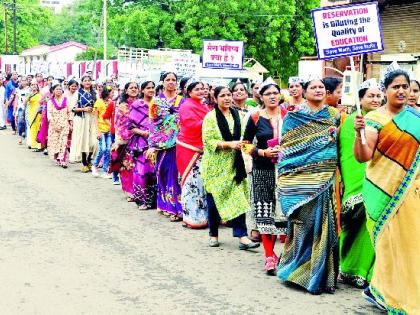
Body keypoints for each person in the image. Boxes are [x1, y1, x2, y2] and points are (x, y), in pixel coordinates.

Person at [354, 66, 420, 314]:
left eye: (406, 87)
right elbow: (363, 157)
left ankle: (402, 292)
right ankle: (387, 293)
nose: (402, 91)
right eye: (396, 87)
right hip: (382, 190)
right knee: (388, 245)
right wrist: (358, 133)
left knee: (412, 245)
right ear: (386, 91)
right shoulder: (374, 120)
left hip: (413, 192)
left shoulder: (415, 118)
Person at [277, 78, 340, 295]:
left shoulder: (334, 115)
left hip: (325, 179)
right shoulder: (294, 117)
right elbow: (286, 150)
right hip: (300, 182)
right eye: (313, 87)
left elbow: (339, 145)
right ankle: (296, 270)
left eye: (321, 87)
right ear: (304, 92)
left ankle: (319, 276)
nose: (318, 90)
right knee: (303, 225)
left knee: (324, 228)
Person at [201, 86, 259, 250]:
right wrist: (228, 144)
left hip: (235, 165)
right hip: (216, 166)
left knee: (239, 199)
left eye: (228, 95)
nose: (226, 98)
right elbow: (208, 142)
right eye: (222, 95)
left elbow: (246, 139)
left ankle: (242, 236)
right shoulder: (210, 118)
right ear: (216, 98)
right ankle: (213, 234)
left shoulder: (239, 115)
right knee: (214, 202)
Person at [338, 79, 380, 289]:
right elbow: (347, 156)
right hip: (357, 183)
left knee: (374, 227)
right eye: (370, 95)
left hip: (380, 182)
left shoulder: (385, 120)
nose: (375, 99)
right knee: (354, 224)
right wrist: (349, 182)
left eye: (377, 95)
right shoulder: (349, 122)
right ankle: (348, 267)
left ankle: (368, 272)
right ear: (360, 99)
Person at [243, 79, 287, 274]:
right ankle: (269, 255)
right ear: (261, 96)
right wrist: (262, 152)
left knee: (285, 213)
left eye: (275, 93)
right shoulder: (254, 117)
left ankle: (286, 255)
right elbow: (244, 144)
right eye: (267, 93)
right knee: (264, 211)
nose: (272, 97)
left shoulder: (289, 116)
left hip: (286, 171)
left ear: (280, 95)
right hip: (262, 170)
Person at [146, 72, 184, 222]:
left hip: (178, 144)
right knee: (161, 173)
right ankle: (164, 205)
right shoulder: (155, 101)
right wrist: (153, 145)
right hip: (160, 145)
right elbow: (152, 124)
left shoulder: (182, 101)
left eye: (173, 80)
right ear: (162, 82)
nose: (171, 82)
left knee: (174, 175)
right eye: (168, 79)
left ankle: (176, 207)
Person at [176, 78, 209, 228]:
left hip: (202, 147)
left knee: (201, 184)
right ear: (189, 92)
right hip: (189, 147)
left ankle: (203, 217)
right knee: (191, 183)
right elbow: (191, 126)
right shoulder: (186, 106)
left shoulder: (203, 106)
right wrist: (210, 120)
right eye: (197, 89)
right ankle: (192, 218)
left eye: (202, 88)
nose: (201, 91)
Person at [128, 81, 156, 210]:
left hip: (156, 143)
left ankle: (154, 201)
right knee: (141, 171)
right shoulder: (136, 105)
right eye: (148, 88)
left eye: (152, 88)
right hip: (141, 143)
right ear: (142, 90)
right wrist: (143, 133)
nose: (151, 90)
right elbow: (130, 126)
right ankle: (141, 200)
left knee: (154, 171)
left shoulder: (158, 104)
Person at [112, 82, 139, 201]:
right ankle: (129, 191)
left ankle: (139, 191)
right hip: (127, 139)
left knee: (139, 166)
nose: (134, 89)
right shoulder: (122, 106)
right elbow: (119, 124)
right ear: (126, 90)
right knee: (127, 166)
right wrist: (127, 136)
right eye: (131, 88)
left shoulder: (142, 103)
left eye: (135, 88)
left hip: (141, 139)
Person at [69, 75, 98, 172]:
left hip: (92, 118)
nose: (87, 82)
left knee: (93, 141)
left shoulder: (95, 93)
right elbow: (72, 108)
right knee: (83, 140)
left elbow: (98, 106)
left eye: (89, 80)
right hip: (81, 119)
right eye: (85, 81)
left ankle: (90, 159)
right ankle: (85, 163)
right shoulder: (78, 93)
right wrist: (84, 109)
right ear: (82, 83)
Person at [46, 83, 72, 168]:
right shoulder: (50, 102)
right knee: (55, 142)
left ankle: (62, 159)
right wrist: (54, 125)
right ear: (53, 91)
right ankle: (57, 157)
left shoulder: (66, 100)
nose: (58, 91)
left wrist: (70, 122)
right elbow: (49, 114)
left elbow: (69, 112)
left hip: (64, 124)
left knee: (63, 142)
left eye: (60, 89)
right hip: (54, 125)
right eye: (56, 89)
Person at [92, 87, 113, 179]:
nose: (113, 94)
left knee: (108, 150)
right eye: (111, 92)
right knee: (103, 149)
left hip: (109, 129)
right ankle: (95, 165)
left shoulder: (112, 102)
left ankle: (105, 171)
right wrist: (97, 131)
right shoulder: (99, 102)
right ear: (107, 93)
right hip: (101, 129)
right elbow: (95, 117)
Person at [103, 88, 120, 185]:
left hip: (131, 133)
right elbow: (105, 117)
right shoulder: (113, 104)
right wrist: (112, 126)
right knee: (116, 155)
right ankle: (115, 175)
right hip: (116, 134)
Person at [24, 80, 42, 151]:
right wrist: (29, 97)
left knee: (39, 129)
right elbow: (24, 104)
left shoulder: (41, 94)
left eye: (35, 84)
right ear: (30, 86)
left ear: (37, 86)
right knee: (32, 128)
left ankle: (40, 145)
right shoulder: (28, 94)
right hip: (31, 113)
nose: (34, 86)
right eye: (32, 85)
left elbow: (45, 101)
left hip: (40, 113)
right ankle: (34, 145)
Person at [14, 77, 30, 145]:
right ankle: (20, 136)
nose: (23, 82)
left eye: (25, 80)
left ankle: (27, 138)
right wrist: (14, 110)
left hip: (28, 107)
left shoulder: (30, 89)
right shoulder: (18, 90)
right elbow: (16, 100)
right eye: (22, 81)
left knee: (27, 123)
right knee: (20, 122)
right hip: (20, 108)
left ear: (27, 81)